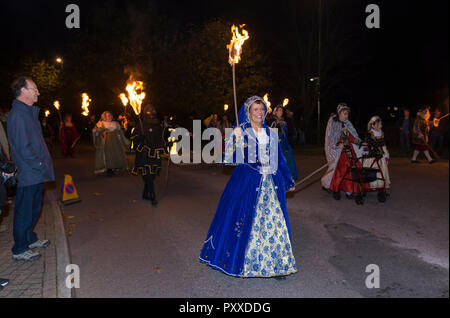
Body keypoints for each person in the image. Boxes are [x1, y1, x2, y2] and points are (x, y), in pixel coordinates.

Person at [200, 96, 297, 279]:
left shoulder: (270, 132)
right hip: (247, 183)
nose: (259, 113)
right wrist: (234, 139)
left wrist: (288, 180)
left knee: (273, 223)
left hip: (270, 184)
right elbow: (228, 160)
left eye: (262, 109)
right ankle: (243, 261)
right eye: (255, 109)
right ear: (248, 112)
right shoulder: (240, 131)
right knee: (245, 222)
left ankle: (275, 264)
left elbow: (279, 160)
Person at [7, 76, 54, 261]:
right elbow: (23, 147)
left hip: (35, 172)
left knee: (34, 209)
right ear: (23, 91)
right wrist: (40, 164)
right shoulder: (18, 115)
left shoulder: (27, 113)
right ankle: (19, 249)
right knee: (24, 211)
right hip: (29, 173)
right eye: (34, 88)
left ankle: (29, 239)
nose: (38, 92)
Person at [321, 103, 367, 200]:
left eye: (347, 114)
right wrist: (337, 144)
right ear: (339, 113)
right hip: (337, 151)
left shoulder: (347, 124)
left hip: (348, 151)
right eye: (344, 113)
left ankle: (349, 191)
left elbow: (352, 137)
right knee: (340, 170)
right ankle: (335, 189)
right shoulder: (333, 122)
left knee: (352, 168)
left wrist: (360, 143)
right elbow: (330, 137)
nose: (346, 116)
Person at [131, 105, 167, 206]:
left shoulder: (158, 126)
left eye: (153, 115)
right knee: (147, 174)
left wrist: (166, 144)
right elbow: (134, 139)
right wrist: (140, 138)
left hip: (154, 153)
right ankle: (153, 196)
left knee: (152, 174)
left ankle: (146, 192)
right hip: (144, 154)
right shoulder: (140, 125)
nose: (151, 117)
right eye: (149, 115)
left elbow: (161, 139)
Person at [93, 111, 129, 176]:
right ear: (104, 117)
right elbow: (96, 132)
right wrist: (97, 132)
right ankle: (109, 169)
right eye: (108, 115)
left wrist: (124, 140)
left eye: (110, 115)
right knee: (108, 155)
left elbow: (120, 133)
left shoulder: (115, 123)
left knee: (115, 154)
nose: (110, 116)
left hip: (115, 142)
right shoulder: (101, 123)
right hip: (106, 141)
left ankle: (114, 167)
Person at [269, 105, 298, 181]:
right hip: (276, 144)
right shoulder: (272, 121)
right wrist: (276, 127)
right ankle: (278, 178)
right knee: (279, 161)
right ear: (275, 112)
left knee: (288, 160)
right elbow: (270, 132)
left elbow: (288, 132)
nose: (280, 112)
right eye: (279, 110)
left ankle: (288, 177)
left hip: (284, 143)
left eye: (281, 111)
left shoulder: (284, 122)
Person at [363, 116, 391, 192]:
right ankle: (372, 186)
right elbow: (368, 145)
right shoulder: (369, 134)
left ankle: (381, 187)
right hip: (372, 156)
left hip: (380, 156)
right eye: (379, 124)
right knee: (373, 169)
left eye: (381, 124)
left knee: (382, 170)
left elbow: (383, 144)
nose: (381, 126)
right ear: (373, 125)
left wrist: (386, 153)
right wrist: (365, 152)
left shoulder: (381, 133)